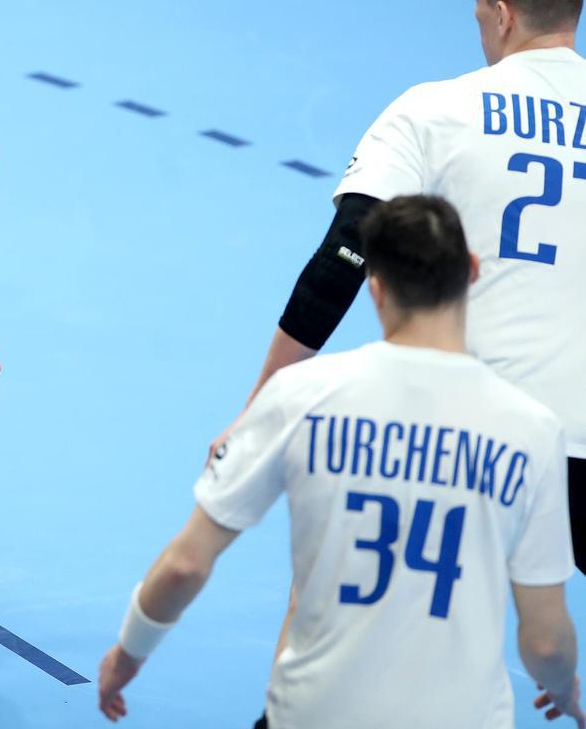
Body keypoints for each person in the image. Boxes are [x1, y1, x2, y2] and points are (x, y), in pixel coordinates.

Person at [99, 195, 581, 726]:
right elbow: (545, 641)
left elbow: (185, 566)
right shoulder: (532, 430)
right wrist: (564, 689)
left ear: (375, 287)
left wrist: (128, 655)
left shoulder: (301, 395)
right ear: (471, 270)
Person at [212, 0, 586, 567]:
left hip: (468, 436)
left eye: (476, 1)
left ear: (502, 14)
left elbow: (343, 259)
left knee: (354, 584)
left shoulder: (433, 110)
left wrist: (258, 415)